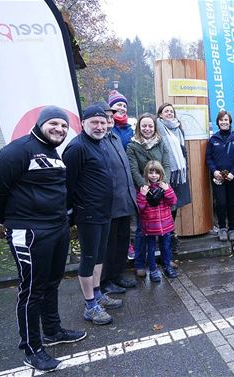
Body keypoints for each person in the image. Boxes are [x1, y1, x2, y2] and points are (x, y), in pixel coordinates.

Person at [0, 106, 86, 372]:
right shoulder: (17, 151)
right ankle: (32, 349)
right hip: (30, 232)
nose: (59, 129)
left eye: (63, 125)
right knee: (32, 290)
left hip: (56, 229)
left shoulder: (53, 151)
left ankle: (52, 330)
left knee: (51, 283)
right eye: (54, 124)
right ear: (41, 123)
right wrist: (8, 221)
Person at [64, 105, 122, 326]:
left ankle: (97, 294)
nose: (100, 126)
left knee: (99, 256)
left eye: (102, 122)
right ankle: (90, 305)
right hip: (87, 213)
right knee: (89, 258)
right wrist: (71, 212)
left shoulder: (100, 143)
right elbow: (67, 185)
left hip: (103, 211)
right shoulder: (76, 148)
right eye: (94, 122)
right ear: (83, 124)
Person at [91, 101, 138, 296]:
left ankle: (117, 274)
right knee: (108, 245)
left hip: (124, 200)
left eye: (111, 117)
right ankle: (105, 280)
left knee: (121, 241)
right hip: (109, 203)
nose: (109, 120)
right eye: (106, 117)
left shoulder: (115, 138)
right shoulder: (97, 141)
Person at [126, 113, 171, 277]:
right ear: (139, 127)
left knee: (163, 228)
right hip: (143, 192)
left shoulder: (161, 143)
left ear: (154, 127)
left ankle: (166, 260)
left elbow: (166, 164)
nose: (147, 129)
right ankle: (140, 263)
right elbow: (133, 170)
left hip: (161, 190)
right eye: (144, 126)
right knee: (141, 230)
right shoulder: (132, 146)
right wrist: (146, 187)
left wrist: (162, 186)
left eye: (150, 126)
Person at [205, 110, 234, 241]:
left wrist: (233, 173)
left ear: (230, 122)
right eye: (221, 120)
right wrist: (214, 171)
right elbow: (208, 158)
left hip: (233, 177)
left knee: (232, 203)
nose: (224, 122)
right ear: (218, 122)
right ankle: (222, 228)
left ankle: (232, 229)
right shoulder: (213, 139)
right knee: (221, 203)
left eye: (226, 120)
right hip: (218, 178)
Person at [156, 103, 192, 251]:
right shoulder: (157, 128)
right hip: (165, 174)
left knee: (174, 205)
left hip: (179, 174)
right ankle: (164, 237)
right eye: (166, 111)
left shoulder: (179, 129)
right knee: (163, 206)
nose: (169, 113)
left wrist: (186, 166)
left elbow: (183, 150)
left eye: (171, 111)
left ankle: (171, 235)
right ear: (160, 115)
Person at [137, 160, 178, 281]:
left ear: (161, 174)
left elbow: (173, 202)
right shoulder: (144, 188)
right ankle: (153, 269)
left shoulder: (165, 186)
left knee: (165, 246)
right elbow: (141, 207)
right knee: (151, 249)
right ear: (146, 174)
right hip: (150, 225)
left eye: (156, 172)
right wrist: (142, 195)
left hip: (165, 225)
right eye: (151, 172)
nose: (154, 175)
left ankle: (167, 266)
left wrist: (168, 190)